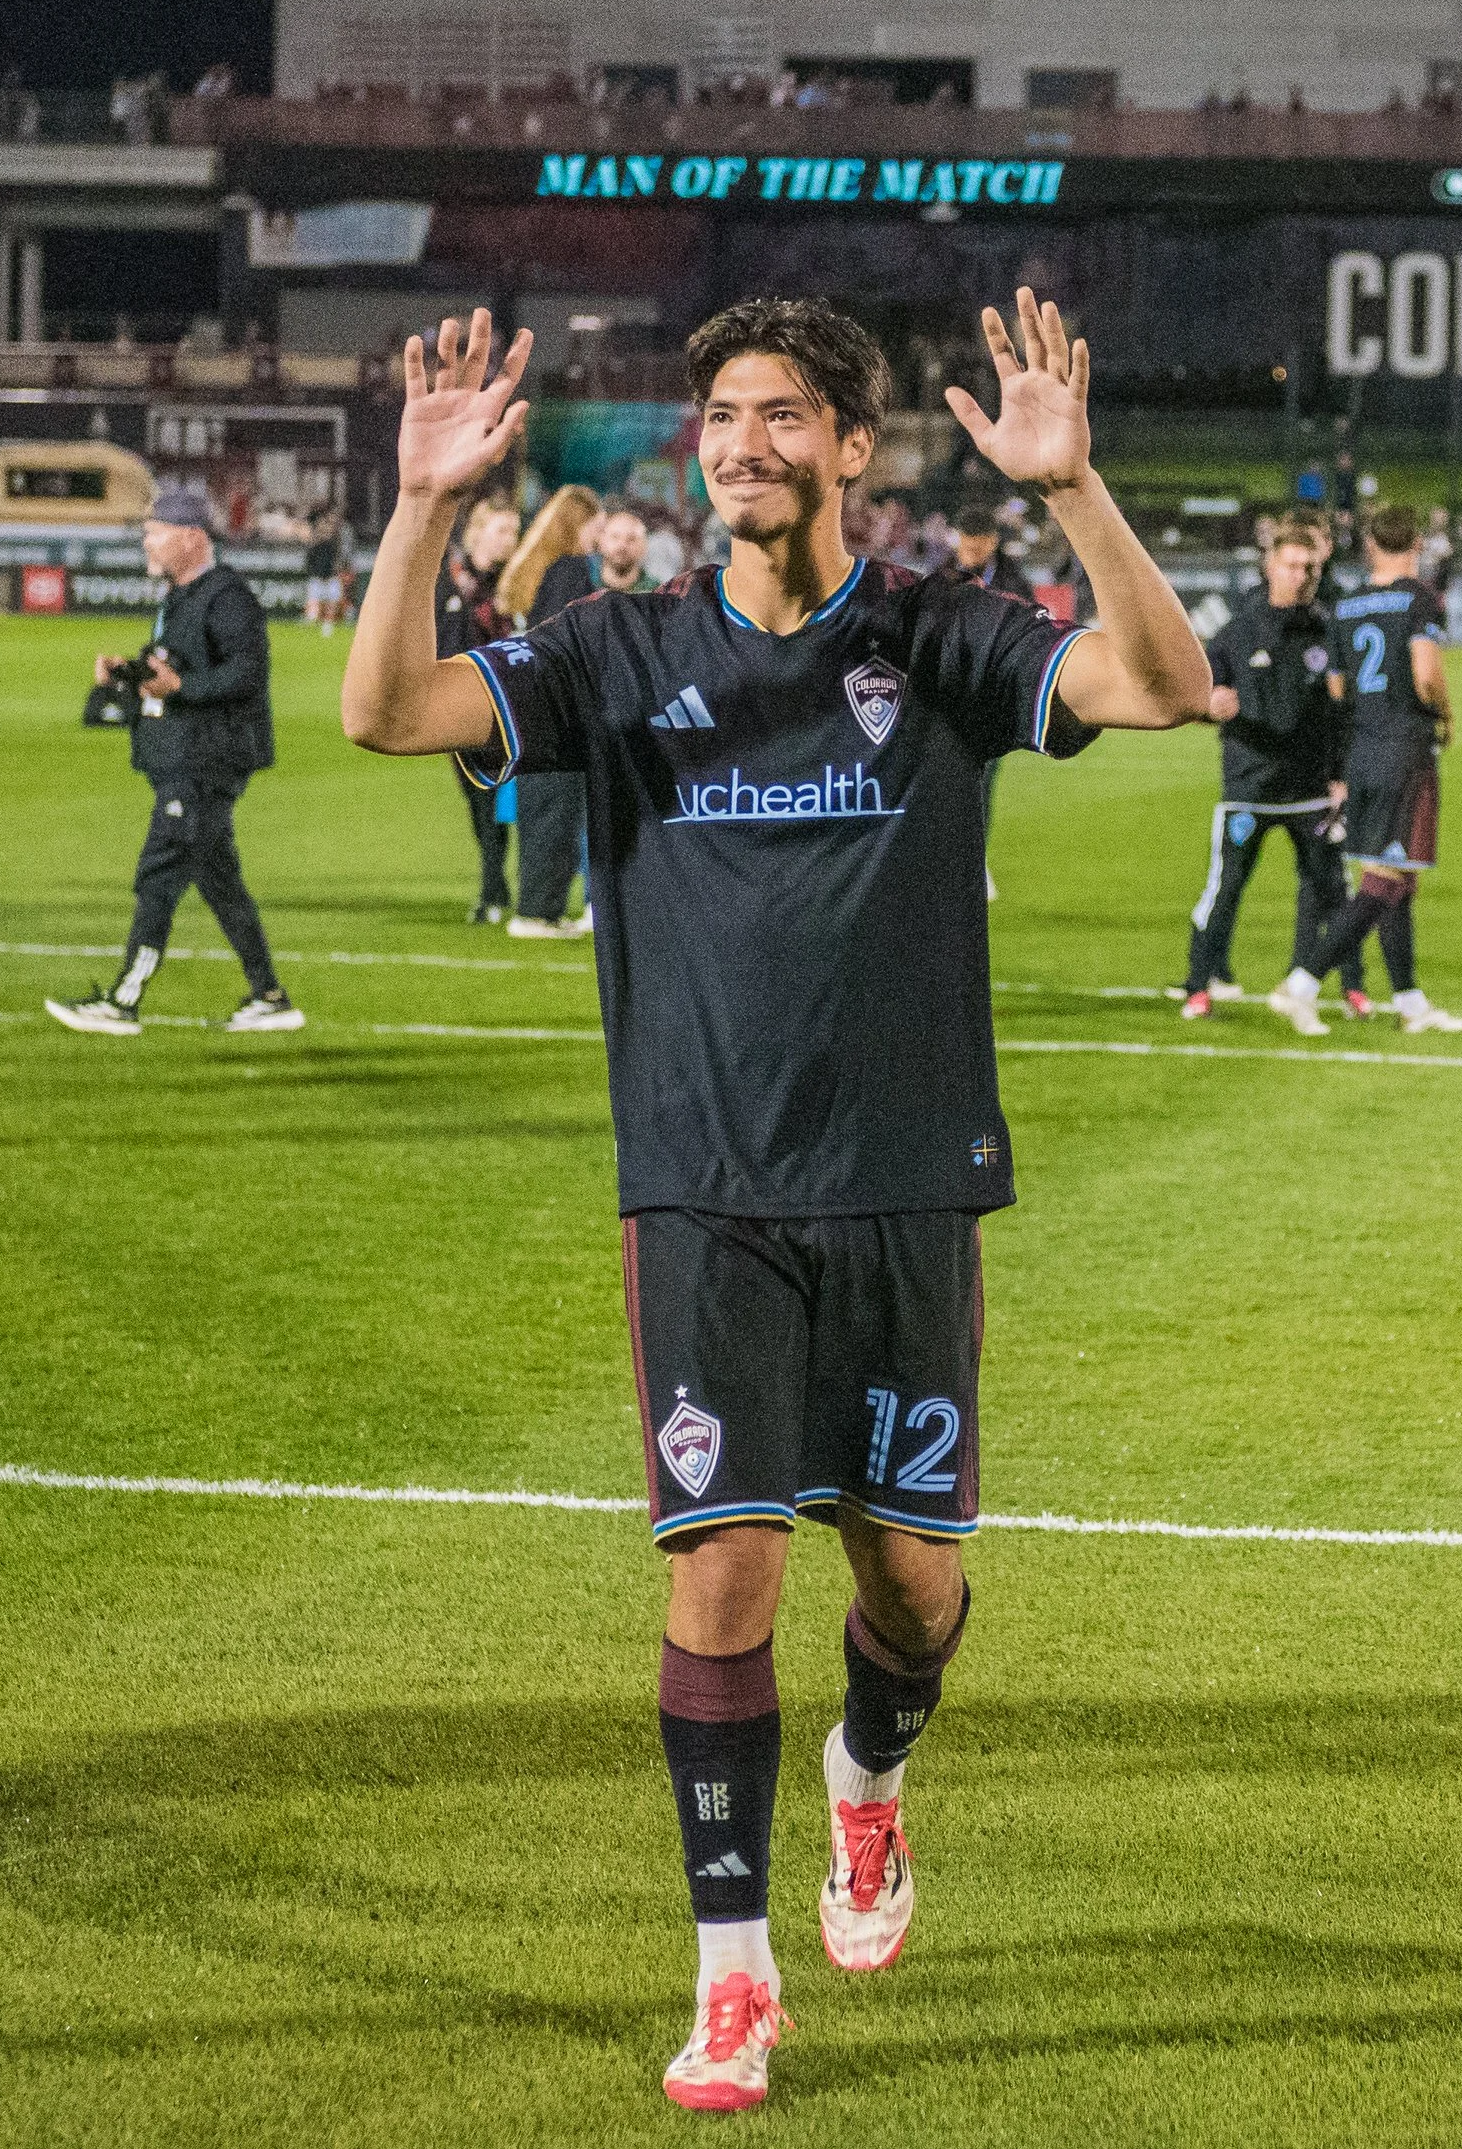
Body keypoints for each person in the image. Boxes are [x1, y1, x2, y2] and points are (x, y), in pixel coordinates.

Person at [341, 290, 1211, 2111]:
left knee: (907, 1582)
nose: (744, 442)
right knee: (723, 1566)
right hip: (705, 1189)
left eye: (783, 416)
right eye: (723, 414)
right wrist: (422, 506)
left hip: (904, 1183)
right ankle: (730, 1971)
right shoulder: (614, 646)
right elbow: (386, 709)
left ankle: (871, 1778)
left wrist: (1077, 486)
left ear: (852, 447)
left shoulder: (940, 637)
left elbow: (1162, 681)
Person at [44, 488, 301, 1036]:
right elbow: (172, 666)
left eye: (155, 531)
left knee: (159, 873)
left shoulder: (227, 596)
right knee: (219, 881)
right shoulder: (181, 596)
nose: (147, 541)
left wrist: (180, 686)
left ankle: (122, 1001)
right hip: (184, 756)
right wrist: (127, 672)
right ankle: (270, 996)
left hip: (207, 760)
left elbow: (246, 674)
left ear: (192, 538)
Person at [1268, 504, 1462, 1037]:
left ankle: (1409, 1001)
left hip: (1362, 749)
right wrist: (1445, 714)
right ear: (1418, 543)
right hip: (1405, 748)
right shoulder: (1420, 600)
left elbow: (1337, 691)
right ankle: (1303, 982)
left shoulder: (1348, 606)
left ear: (1370, 545)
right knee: (1387, 878)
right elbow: (1426, 674)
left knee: (1396, 878)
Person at [1179, 516, 1363, 1018]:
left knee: (1333, 891)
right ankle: (1198, 984)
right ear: (1270, 565)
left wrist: (1342, 775)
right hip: (1249, 785)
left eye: (1311, 568)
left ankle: (1353, 988)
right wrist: (1211, 704)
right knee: (1226, 889)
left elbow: (1344, 713)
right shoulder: (1236, 631)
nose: (1301, 576)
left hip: (1311, 791)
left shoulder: (1331, 629)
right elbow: (1205, 693)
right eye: (1292, 565)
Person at [513, 498, 658, 938]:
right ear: (600, 541)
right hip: (569, 717)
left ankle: (600, 905)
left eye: (632, 538)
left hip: (631, 724)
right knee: (556, 814)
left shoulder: (660, 595)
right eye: (615, 536)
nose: (622, 546)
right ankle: (540, 909)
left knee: (626, 819)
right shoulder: (570, 578)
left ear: (645, 547)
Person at [941, 506, 1033, 900]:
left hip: (990, 699)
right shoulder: (939, 580)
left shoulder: (1014, 584)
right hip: (946, 699)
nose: (970, 550)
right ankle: (939, 864)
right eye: (965, 541)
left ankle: (974, 864)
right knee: (942, 787)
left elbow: (1031, 634)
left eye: (977, 543)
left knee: (980, 786)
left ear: (993, 543)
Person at [436, 496, 520, 922]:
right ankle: (494, 885)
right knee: (480, 800)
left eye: (514, 531)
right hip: (462, 705)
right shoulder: (450, 579)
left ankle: (498, 889)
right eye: (503, 530)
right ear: (479, 531)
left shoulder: (516, 579)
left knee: (503, 798)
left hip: (513, 705)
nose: (511, 539)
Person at [302, 507, 343, 636]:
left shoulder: (335, 543)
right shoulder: (314, 545)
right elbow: (309, 562)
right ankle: (311, 623)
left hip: (331, 577)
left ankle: (327, 625)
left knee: (333, 602)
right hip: (318, 577)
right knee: (314, 601)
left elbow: (337, 561)